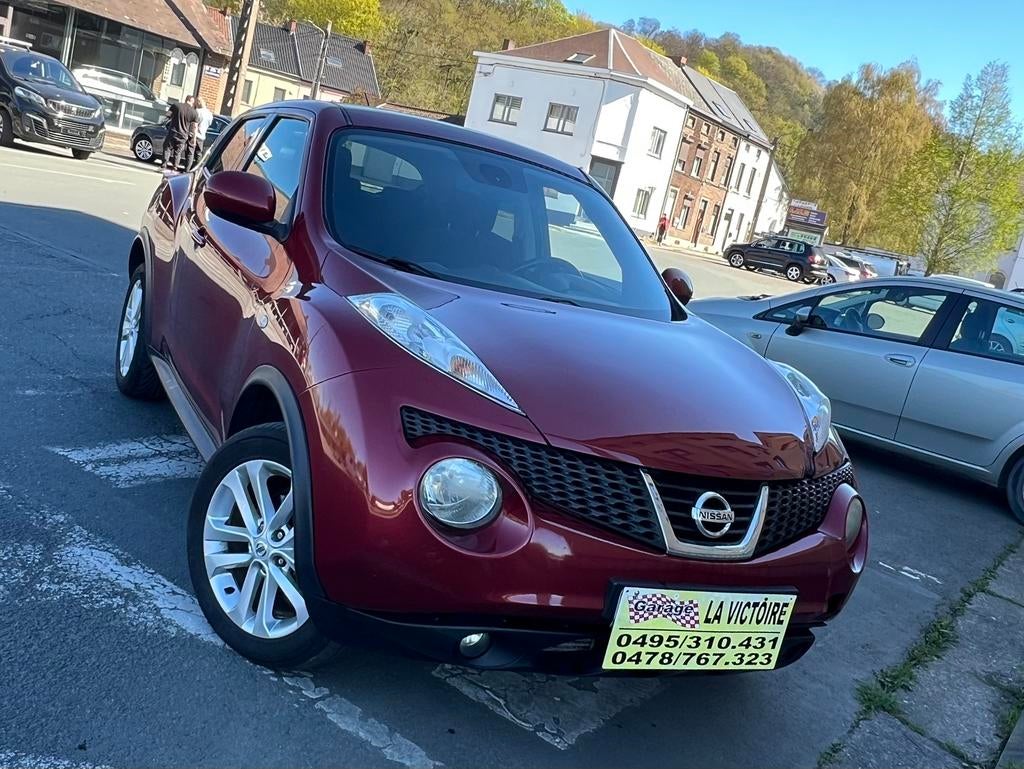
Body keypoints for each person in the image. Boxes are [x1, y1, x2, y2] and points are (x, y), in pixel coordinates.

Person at [163, 95, 197, 172]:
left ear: (186, 100)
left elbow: (168, 115)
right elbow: (194, 126)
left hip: (173, 131)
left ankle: (164, 165)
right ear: (191, 101)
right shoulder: (194, 112)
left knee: (167, 148)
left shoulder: (176, 105)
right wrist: (193, 137)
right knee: (178, 152)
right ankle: (175, 167)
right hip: (183, 135)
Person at [191, 96, 214, 169]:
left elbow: (194, 124)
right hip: (202, 136)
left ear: (199, 102)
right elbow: (210, 124)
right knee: (198, 153)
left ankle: (191, 168)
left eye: (197, 102)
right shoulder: (210, 114)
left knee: (191, 153)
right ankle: (197, 167)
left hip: (195, 134)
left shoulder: (198, 111)